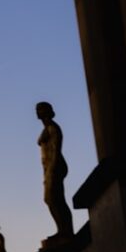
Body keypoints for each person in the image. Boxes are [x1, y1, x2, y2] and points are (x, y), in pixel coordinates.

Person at [36, 101, 74, 240]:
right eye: (37, 109)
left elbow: (56, 150)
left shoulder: (53, 127)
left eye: (40, 109)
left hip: (55, 166)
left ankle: (66, 231)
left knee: (55, 199)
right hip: (48, 167)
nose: (37, 112)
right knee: (50, 199)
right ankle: (62, 230)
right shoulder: (46, 128)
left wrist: (51, 169)